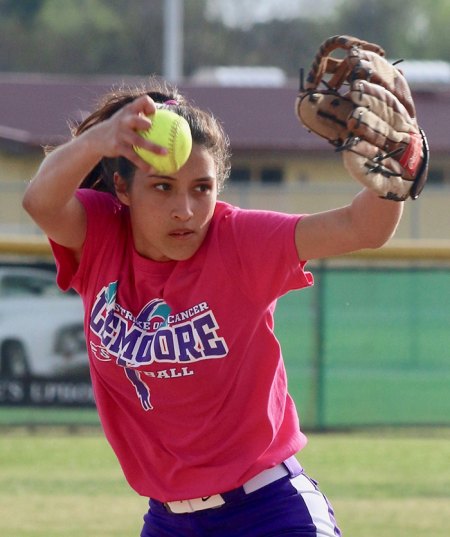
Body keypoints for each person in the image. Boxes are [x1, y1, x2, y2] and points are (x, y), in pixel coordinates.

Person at [22, 78, 403, 537]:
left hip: (269, 511)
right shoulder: (101, 237)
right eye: (162, 187)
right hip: (168, 520)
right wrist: (96, 141)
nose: (185, 209)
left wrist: (397, 161)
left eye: (201, 188)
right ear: (122, 189)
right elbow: (39, 200)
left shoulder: (239, 241)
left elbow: (362, 227)